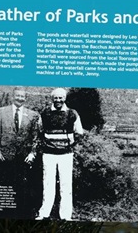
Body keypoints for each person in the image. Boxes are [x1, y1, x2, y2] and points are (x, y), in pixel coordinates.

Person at [35, 87, 84, 221]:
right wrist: (45, 145)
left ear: (64, 99)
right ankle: (44, 214)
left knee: (66, 185)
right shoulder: (45, 113)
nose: (58, 100)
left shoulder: (72, 114)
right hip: (49, 154)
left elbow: (79, 133)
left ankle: (66, 216)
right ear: (52, 99)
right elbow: (39, 131)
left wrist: (70, 146)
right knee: (48, 184)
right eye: (55, 98)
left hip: (66, 154)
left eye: (60, 98)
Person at [0, 87, 41, 217]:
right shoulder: (2, 112)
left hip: (23, 157)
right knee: (5, 184)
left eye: (22, 96)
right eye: (17, 96)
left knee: (22, 186)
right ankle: (4, 214)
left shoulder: (32, 115)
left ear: (25, 98)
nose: (20, 98)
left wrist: (32, 153)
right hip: (5, 156)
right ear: (13, 97)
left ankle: (21, 213)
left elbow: (36, 137)